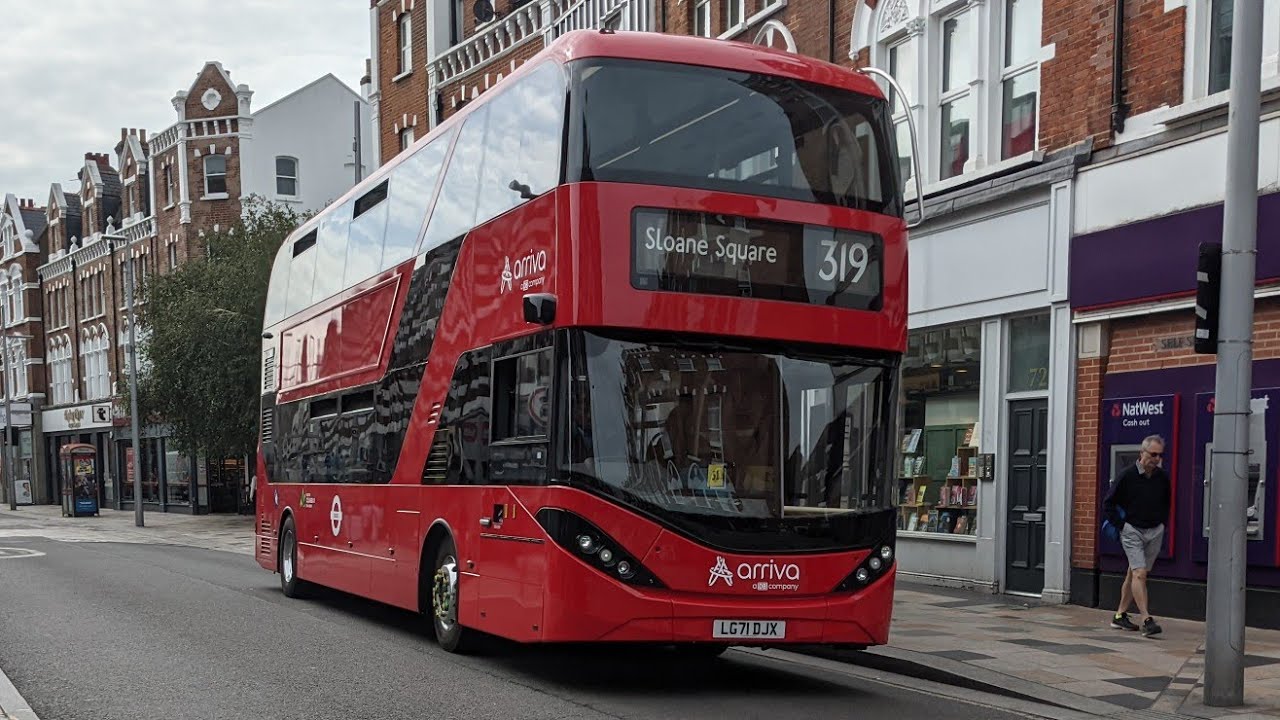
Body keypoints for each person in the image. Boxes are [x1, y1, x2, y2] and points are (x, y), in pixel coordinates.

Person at [1103, 434, 1171, 637]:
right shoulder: (1127, 475)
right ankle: (1147, 619)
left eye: (1160, 455)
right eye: (1153, 454)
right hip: (1132, 530)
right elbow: (1108, 503)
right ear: (1142, 453)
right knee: (1140, 573)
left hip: (1154, 530)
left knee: (1135, 573)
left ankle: (1119, 616)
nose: (1156, 458)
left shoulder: (1162, 477)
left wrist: (1162, 523)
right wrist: (1122, 526)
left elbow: (1166, 502)